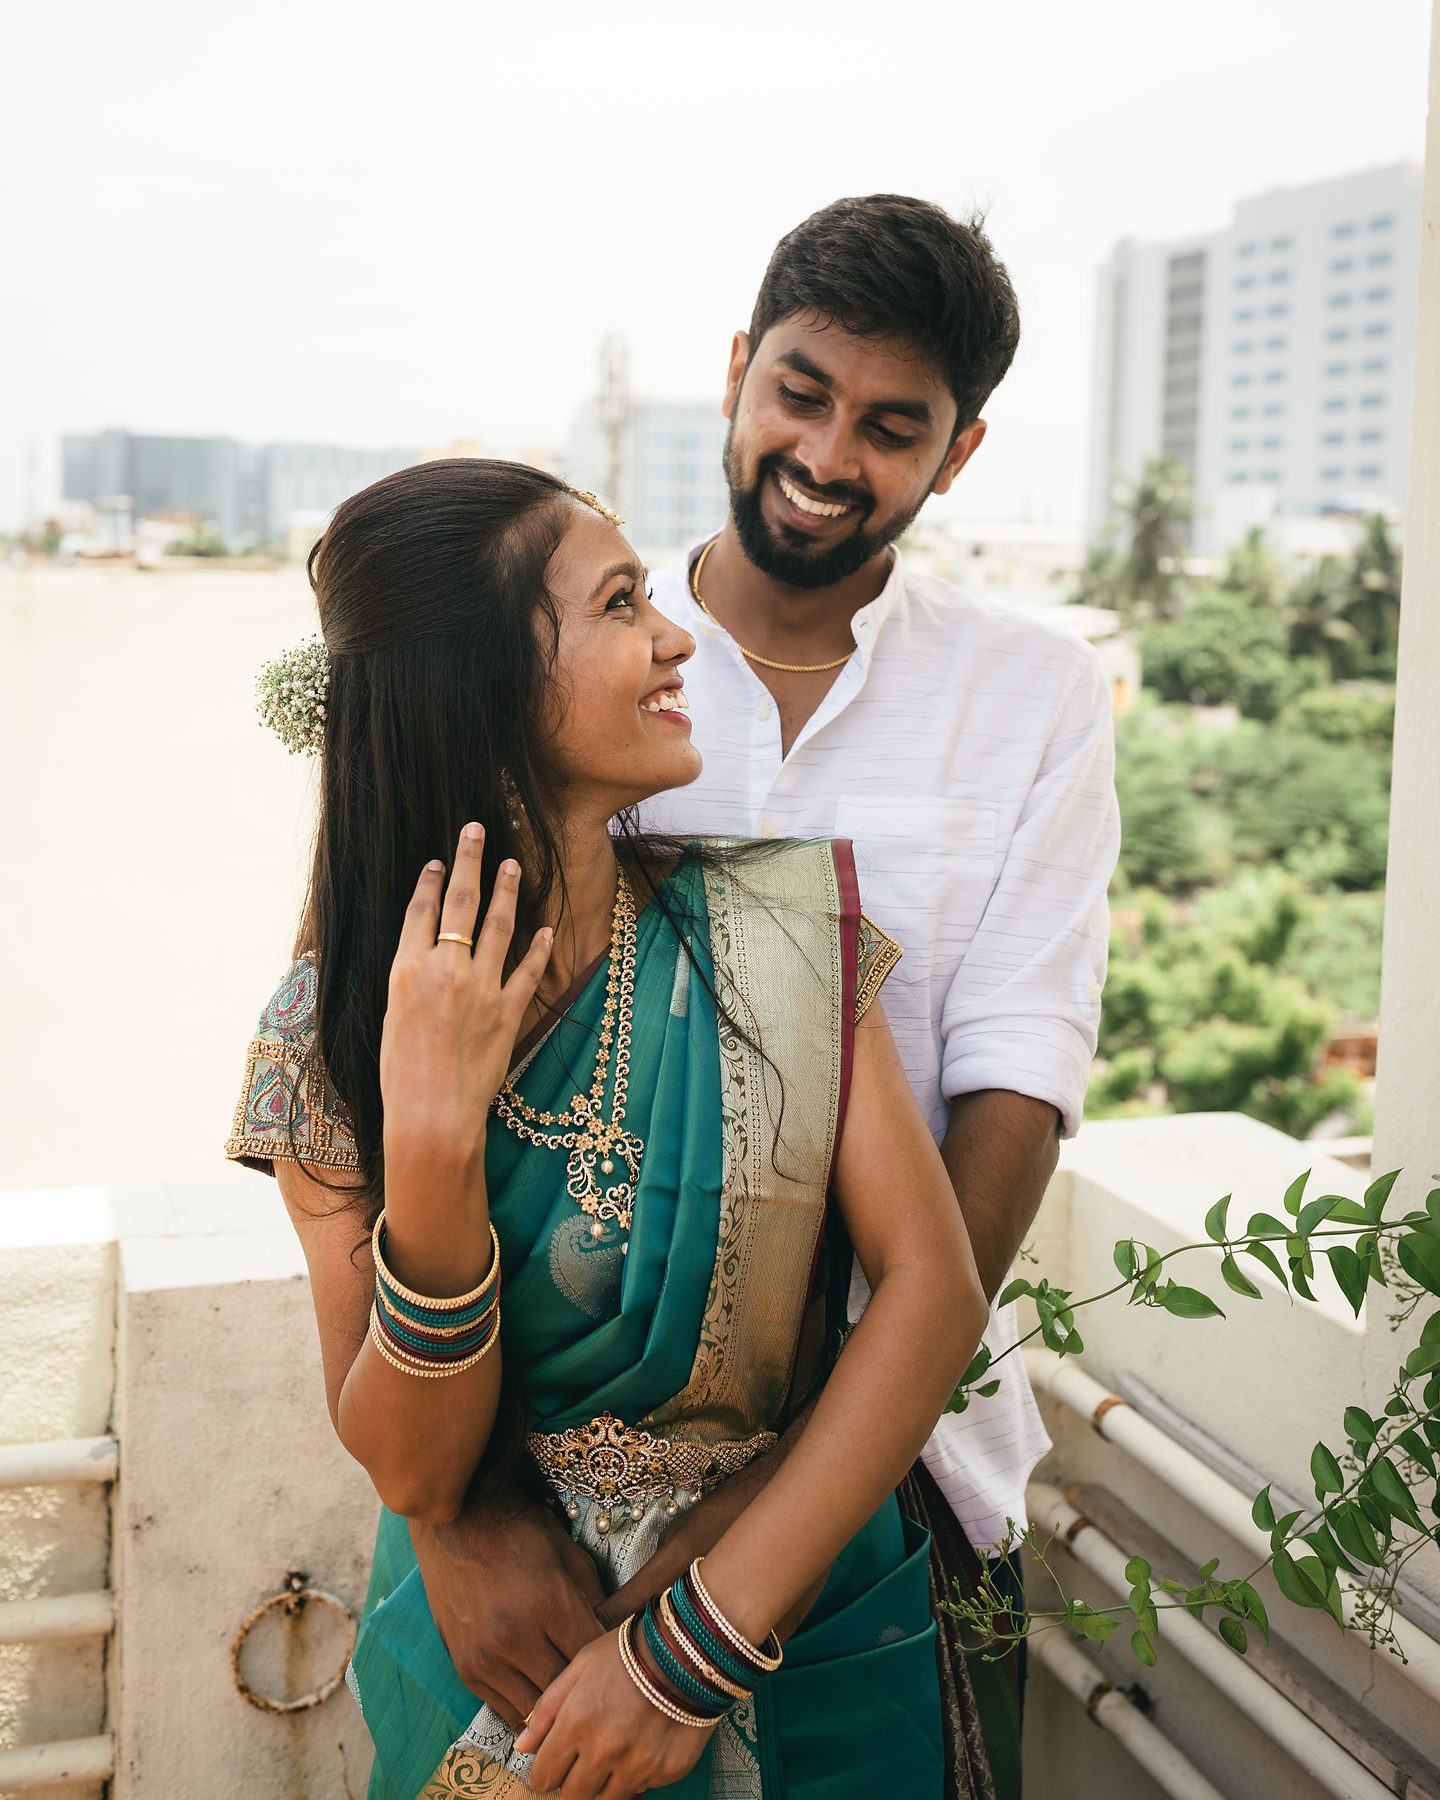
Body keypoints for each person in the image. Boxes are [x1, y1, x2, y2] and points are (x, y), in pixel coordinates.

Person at [411, 196, 1122, 1798]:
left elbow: (1015, 1082)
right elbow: (418, 1066)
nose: (827, 452)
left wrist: (808, 1475)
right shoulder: (570, 656)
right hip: (543, 1477)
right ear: (737, 373)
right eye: (801, 393)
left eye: (892, 427)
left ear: (959, 453)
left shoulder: (1032, 698)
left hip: (908, 1476)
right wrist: (446, 1516)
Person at [226, 457, 989, 1798]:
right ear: (484, 684)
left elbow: (932, 1292)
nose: (678, 635)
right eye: (624, 602)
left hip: (788, 1622)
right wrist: (438, 1141)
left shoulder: (786, 946)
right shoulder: (333, 1026)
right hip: (494, 1666)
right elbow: (408, 1459)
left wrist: (689, 1654)